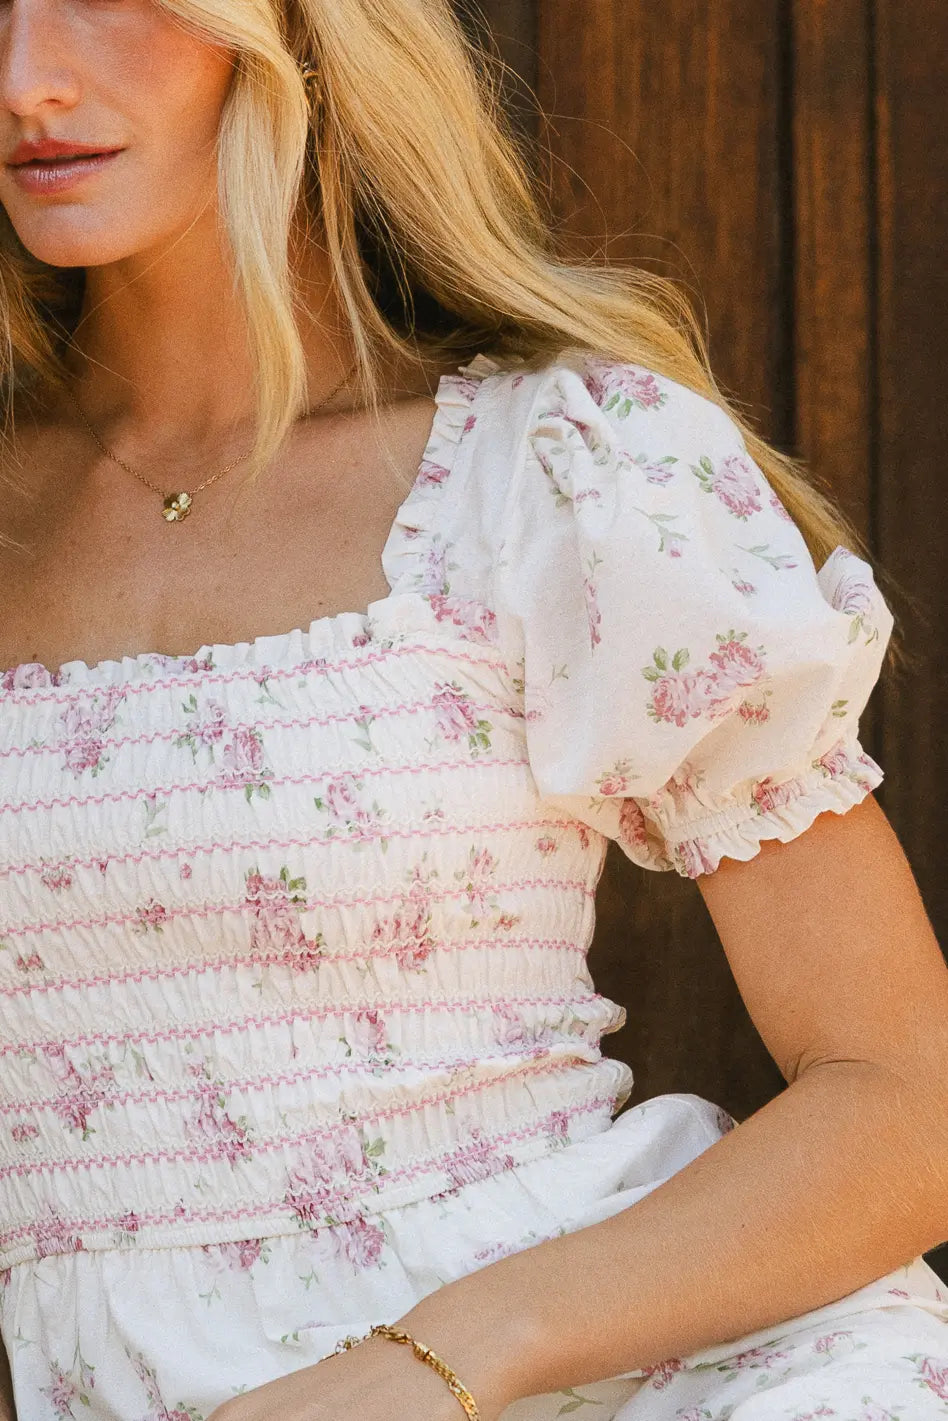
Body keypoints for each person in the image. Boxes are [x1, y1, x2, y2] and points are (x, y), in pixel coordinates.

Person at [0, 1, 945, 1417]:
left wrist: (427, 1367)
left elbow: (906, 1099)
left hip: (622, 1367)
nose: (26, 79)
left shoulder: (558, 470)